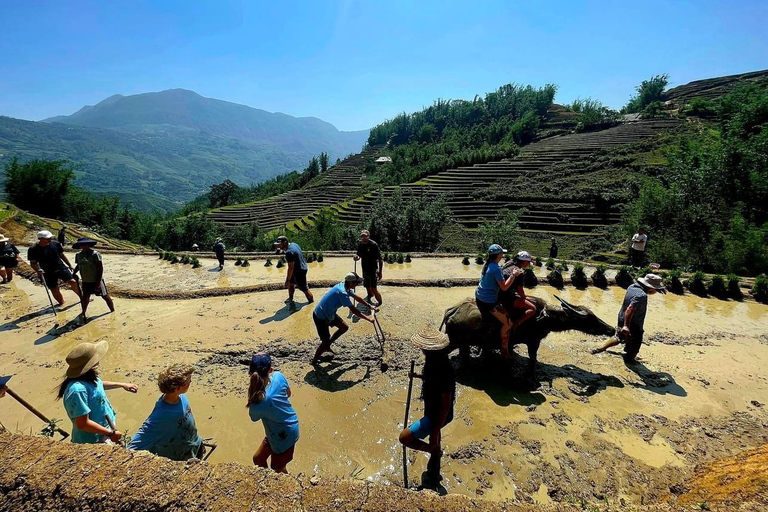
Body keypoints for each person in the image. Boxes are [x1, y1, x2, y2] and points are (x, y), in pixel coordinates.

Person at [399, 328, 455, 490]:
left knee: (404, 438)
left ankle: (433, 451)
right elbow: (432, 379)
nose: (422, 351)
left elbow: (445, 404)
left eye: (424, 348)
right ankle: (433, 473)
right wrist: (418, 375)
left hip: (438, 414)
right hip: (434, 412)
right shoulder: (434, 362)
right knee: (435, 438)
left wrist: (436, 428)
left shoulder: (445, 370)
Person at [56, 340, 138, 444]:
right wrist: (110, 434)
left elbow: (98, 385)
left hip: (105, 427)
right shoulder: (77, 391)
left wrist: (122, 385)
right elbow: (83, 424)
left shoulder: (88, 377)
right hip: (93, 439)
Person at [129, 364, 203, 461]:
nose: (191, 382)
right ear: (177, 388)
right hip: (179, 455)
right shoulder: (161, 414)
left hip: (195, 444)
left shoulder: (181, 396)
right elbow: (140, 439)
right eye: (188, 381)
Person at [591, 273, 666, 363]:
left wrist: (657, 289)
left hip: (622, 318)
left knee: (618, 336)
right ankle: (630, 360)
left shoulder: (632, 287)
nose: (655, 291)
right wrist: (627, 326)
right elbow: (630, 309)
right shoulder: (642, 296)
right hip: (633, 322)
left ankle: (600, 348)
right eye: (655, 289)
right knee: (636, 342)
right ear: (650, 287)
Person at [247, 353, 299, 473]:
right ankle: (270, 481)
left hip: (284, 434)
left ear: (250, 374)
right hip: (280, 429)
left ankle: (285, 486)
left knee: (278, 468)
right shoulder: (278, 376)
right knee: (258, 459)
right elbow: (288, 394)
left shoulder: (258, 403)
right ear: (271, 370)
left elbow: (253, 418)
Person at [311, 273, 376, 364]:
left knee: (344, 327)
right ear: (350, 283)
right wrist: (368, 318)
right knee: (324, 342)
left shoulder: (345, 286)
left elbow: (357, 298)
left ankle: (328, 344)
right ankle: (314, 361)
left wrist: (369, 306)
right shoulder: (342, 292)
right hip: (320, 316)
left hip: (330, 313)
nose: (357, 285)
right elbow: (354, 311)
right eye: (356, 283)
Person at [474, 244, 519, 359]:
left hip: (479, 295)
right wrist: (513, 275)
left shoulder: (488, 264)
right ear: (499, 255)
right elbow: (504, 287)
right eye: (502, 253)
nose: (503, 254)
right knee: (508, 323)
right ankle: (504, 350)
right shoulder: (496, 269)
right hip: (488, 302)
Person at [28, 230, 82, 306]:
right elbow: (33, 263)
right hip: (46, 271)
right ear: (41, 239)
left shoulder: (55, 244)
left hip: (60, 267)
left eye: (50, 238)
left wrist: (69, 265)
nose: (50, 239)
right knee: (54, 288)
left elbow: (62, 255)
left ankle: (82, 297)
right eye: (47, 238)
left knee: (72, 281)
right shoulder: (33, 249)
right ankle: (62, 303)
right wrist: (38, 270)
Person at [72, 237, 115, 322]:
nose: (84, 247)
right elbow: (78, 265)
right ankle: (83, 312)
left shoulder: (95, 254)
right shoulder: (78, 255)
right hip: (85, 280)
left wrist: (98, 282)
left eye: (85, 245)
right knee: (85, 297)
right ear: (80, 246)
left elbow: (100, 268)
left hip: (96, 280)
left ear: (89, 245)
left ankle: (112, 311)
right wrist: (74, 273)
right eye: (82, 245)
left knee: (104, 296)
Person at [502, 251, 537, 341]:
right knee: (533, 308)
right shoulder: (519, 273)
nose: (529, 264)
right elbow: (520, 290)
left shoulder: (508, 265)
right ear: (524, 262)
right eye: (528, 262)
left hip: (499, 293)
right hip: (506, 298)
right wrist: (524, 297)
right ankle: (516, 324)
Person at [274, 235, 314, 304]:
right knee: (291, 284)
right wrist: (282, 251)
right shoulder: (294, 244)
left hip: (299, 271)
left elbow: (290, 268)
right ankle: (290, 298)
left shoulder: (289, 253)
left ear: (285, 242)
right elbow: (294, 253)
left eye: (280, 244)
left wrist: (287, 280)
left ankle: (311, 302)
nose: (278, 246)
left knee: (304, 289)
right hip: (301, 267)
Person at [353, 230, 384, 306]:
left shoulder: (374, 245)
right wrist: (356, 257)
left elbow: (380, 259)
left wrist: (380, 272)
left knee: (374, 288)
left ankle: (380, 303)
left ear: (368, 236)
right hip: (364, 268)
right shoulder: (360, 244)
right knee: (367, 286)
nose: (364, 238)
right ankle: (369, 298)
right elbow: (359, 255)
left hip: (373, 269)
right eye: (362, 236)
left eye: (365, 236)